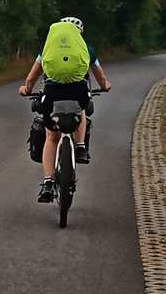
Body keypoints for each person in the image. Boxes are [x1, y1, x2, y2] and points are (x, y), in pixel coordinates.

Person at [19, 16, 111, 203]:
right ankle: (81, 147)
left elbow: (31, 78)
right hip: (78, 92)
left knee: (51, 137)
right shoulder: (87, 49)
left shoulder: (47, 49)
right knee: (82, 110)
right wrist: (105, 85)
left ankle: (47, 182)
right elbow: (101, 77)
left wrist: (26, 89)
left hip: (52, 94)